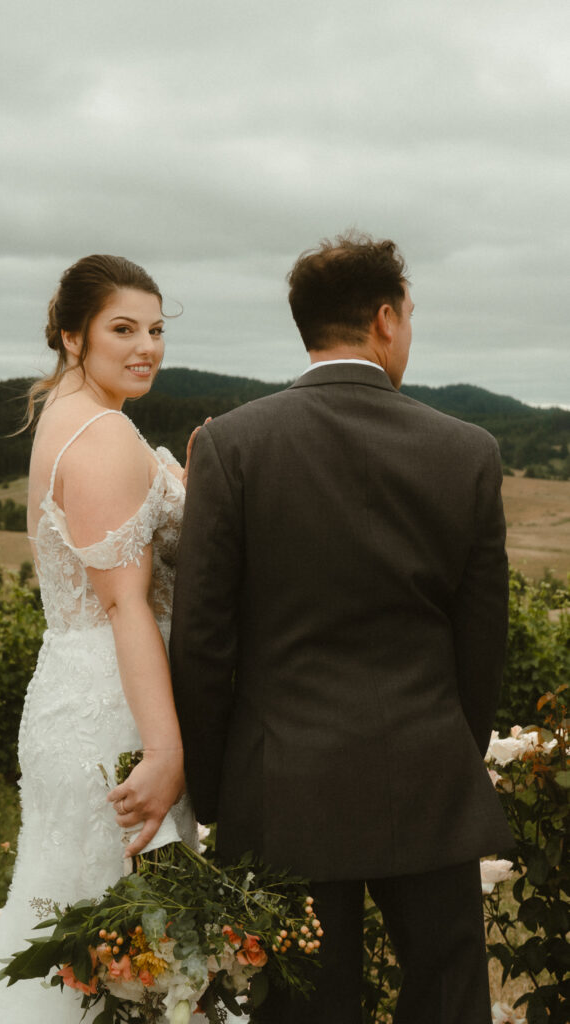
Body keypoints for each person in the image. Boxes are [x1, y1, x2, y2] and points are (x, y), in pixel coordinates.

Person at [170, 232, 514, 1024]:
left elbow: (201, 639)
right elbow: (480, 640)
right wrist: (446, 746)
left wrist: (221, 787)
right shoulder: (468, 450)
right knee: (447, 998)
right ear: (385, 319)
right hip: (427, 774)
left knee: (301, 1010)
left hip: (280, 786)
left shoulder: (232, 444)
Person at [0, 254, 199, 1024]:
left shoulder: (67, 416)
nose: (145, 346)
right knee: (124, 950)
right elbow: (125, 607)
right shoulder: (104, 435)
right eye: (122, 328)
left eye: (154, 329)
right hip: (117, 707)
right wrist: (164, 752)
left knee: (81, 943)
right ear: (71, 335)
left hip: (73, 688)